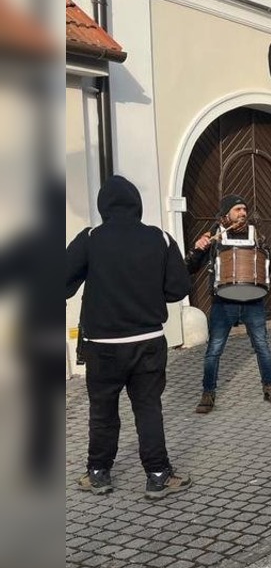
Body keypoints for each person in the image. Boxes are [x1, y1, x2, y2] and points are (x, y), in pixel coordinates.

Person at [67, 175, 194, 498]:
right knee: (148, 408)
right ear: (137, 205)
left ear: (103, 206)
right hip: (148, 341)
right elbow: (177, 290)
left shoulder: (91, 238)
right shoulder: (160, 239)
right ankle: (157, 474)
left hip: (103, 346)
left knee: (102, 411)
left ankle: (97, 473)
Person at [187, 194, 271, 413]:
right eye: (237, 209)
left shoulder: (256, 235)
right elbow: (191, 266)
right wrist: (197, 249)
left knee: (262, 346)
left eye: (244, 209)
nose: (243, 213)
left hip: (253, 299)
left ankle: (269, 387)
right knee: (214, 349)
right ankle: (208, 392)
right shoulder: (213, 235)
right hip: (223, 300)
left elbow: (270, 263)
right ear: (226, 214)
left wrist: (270, 260)